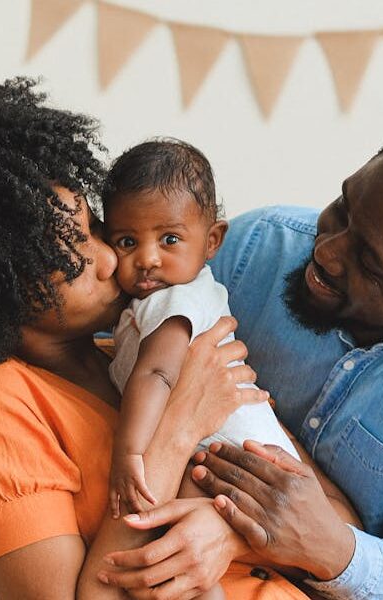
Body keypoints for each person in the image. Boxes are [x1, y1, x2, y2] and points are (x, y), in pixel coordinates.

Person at [0, 73, 354, 599]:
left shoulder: (132, 350)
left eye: (96, 229)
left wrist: (226, 533)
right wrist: (179, 423)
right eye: (76, 259)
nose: (113, 260)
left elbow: (335, 521)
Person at [95, 99, 383, 599]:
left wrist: (320, 548)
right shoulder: (256, 248)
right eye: (343, 209)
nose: (325, 251)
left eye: (367, 261)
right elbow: (119, 339)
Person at [103, 139, 300, 528]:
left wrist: (128, 454)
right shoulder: (177, 295)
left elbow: (157, 374)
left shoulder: (174, 300)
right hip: (246, 463)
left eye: (169, 239)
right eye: (127, 242)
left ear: (212, 241)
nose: (147, 259)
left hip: (235, 462)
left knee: (174, 534)